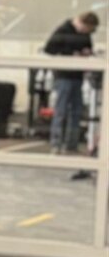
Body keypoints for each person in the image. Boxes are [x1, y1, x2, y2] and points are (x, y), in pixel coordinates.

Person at [43, 11, 98, 154]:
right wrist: (71, 54)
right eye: (86, 29)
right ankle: (56, 143)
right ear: (82, 23)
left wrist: (87, 52)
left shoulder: (85, 35)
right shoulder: (63, 30)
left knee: (76, 111)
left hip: (77, 76)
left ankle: (71, 144)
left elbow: (88, 47)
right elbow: (49, 49)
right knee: (61, 110)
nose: (86, 32)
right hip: (64, 76)